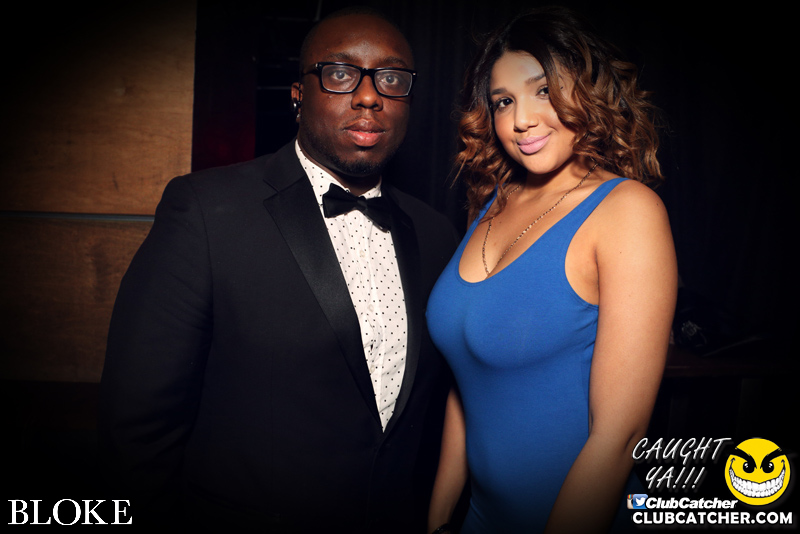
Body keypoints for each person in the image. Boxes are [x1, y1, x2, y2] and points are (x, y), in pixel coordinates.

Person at [99, 8, 458, 532]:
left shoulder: (437, 234)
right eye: (340, 73)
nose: (368, 96)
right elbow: (138, 422)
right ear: (297, 95)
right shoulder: (205, 211)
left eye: (390, 78)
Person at [425, 6, 677, 533]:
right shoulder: (489, 204)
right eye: (504, 101)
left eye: (543, 90)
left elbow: (620, 436)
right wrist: (439, 518)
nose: (522, 119)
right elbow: (466, 384)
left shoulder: (627, 211)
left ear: (584, 90)